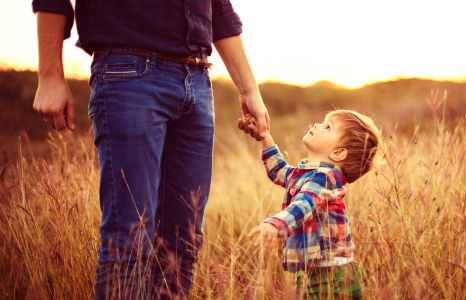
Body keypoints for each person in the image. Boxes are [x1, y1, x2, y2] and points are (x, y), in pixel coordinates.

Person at [31, 0, 269, 298]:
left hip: (197, 80)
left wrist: (249, 89)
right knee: (129, 242)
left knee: (183, 245)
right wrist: (49, 73)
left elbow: (218, 7)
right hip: (129, 73)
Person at [241, 110, 382, 299]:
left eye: (328, 127)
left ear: (338, 153)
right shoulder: (307, 174)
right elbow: (279, 170)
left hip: (332, 277)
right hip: (314, 271)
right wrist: (265, 136)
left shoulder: (325, 178)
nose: (317, 125)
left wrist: (276, 224)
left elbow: (304, 205)